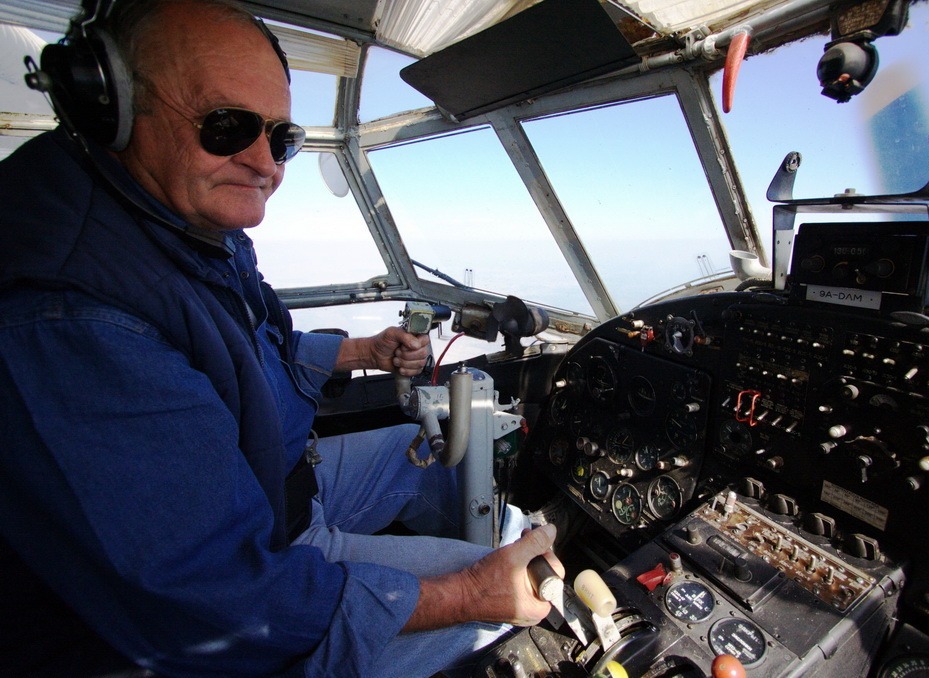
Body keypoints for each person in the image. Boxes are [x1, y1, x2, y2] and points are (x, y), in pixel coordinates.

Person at [0, 1, 563, 676]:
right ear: (106, 105)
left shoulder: (187, 227)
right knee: (501, 613)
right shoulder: (72, 317)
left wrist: (362, 351)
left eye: (281, 138)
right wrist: (473, 591)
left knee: (419, 452)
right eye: (226, 125)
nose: (265, 164)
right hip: (225, 601)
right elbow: (215, 604)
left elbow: (247, 344)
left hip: (280, 487)